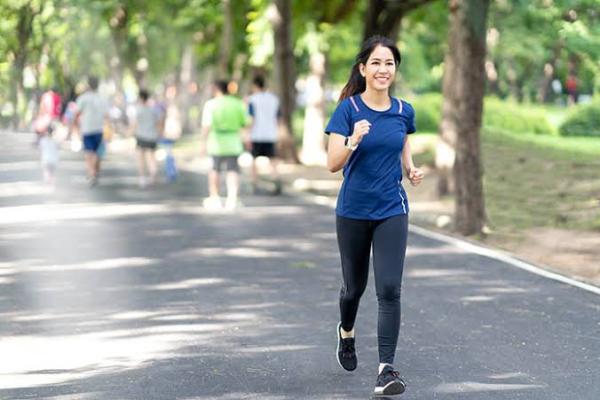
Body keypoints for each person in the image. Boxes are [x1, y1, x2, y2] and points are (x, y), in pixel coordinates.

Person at [324, 36, 424, 396]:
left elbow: (402, 140)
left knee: (389, 289)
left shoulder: (403, 111)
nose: (384, 70)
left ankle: (386, 369)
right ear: (363, 69)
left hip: (391, 208)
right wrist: (352, 141)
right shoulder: (347, 110)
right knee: (354, 288)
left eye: (390, 63)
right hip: (352, 210)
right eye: (377, 63)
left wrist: (410, 168)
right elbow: (332, 164)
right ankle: (346, 333)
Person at [200, 80, 248, 210]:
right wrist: (247, 139)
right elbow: (245, 124)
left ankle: (214, 198)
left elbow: (206, 126)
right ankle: (232, 199)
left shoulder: (211, 105)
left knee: (215, 169)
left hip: (216, 141)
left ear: (216, 89)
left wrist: (202, 143)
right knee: (233, 170)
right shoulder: (237, 104)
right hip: (233, 141)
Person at [247, 76, 282, 194]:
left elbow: (252, 118)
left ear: (255, 86)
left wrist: (247, 134)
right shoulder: (274, 99)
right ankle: (276, 181)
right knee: (272, 161)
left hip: (256, 134)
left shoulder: (252, 99)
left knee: (253, 160)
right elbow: (278, 118)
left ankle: (254, 184)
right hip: (271, 134)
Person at [74, 76, 109, 186]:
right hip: (99, 129)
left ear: (88, 85)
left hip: (87, 129)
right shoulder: (102, 99)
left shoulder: (83, 98)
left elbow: (76, 113)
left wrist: (75, 127)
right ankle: (94, 171)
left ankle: (91, 172)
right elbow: (106, 116)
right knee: (96, 152)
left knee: (89, 152)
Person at [130, 89, 161, 187]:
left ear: (140, 98)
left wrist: (130, 133)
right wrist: (159, 133)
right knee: (151, 157)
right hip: (152, 136)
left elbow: (134, 124)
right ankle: (153, 175)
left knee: (141, 158)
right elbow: (158, 123)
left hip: (141, 136)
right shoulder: (153, 110)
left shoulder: (138, 110)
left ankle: (142, 178)